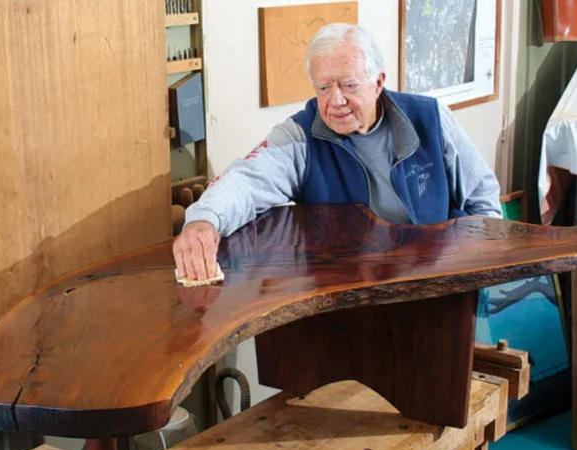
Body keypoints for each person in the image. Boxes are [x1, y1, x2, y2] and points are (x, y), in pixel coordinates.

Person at [173, 23, 502, 281]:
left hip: (436, 284)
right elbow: (244, 180)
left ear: (378, 82)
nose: (335, 101)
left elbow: (483, 200)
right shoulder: (300, 136)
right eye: (323, 88)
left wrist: (471, 276)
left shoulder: (430, 118)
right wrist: (203, 222)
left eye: (349, 85)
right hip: (346, 297)